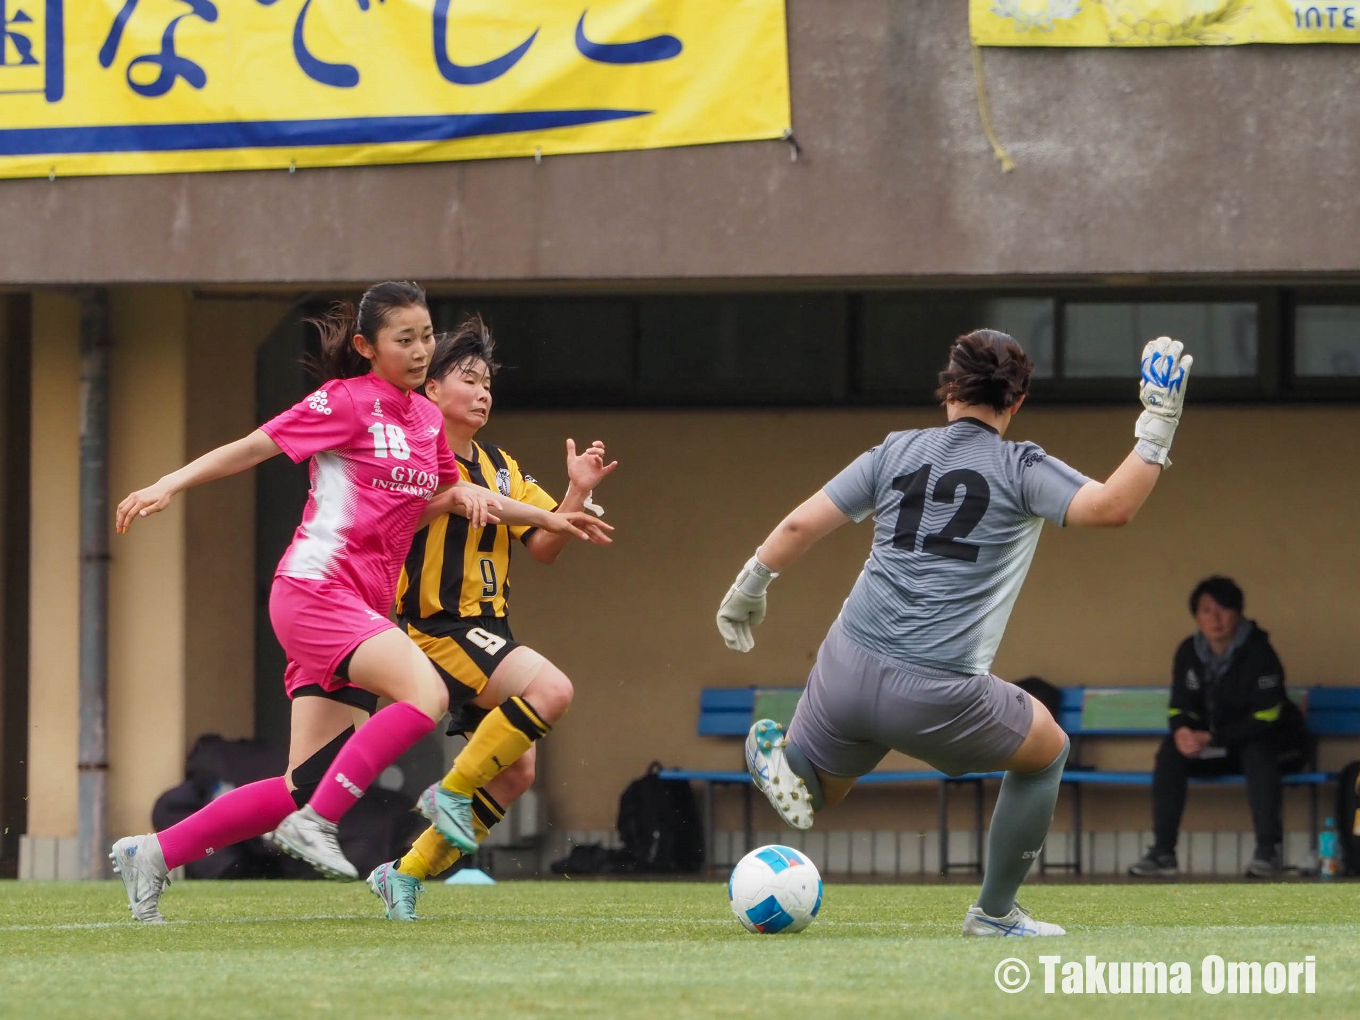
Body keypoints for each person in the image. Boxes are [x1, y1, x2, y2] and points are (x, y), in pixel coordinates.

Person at [109, 283, 607, 921]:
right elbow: (258, 444)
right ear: (368, 347)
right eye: (406, 339)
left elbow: (460, 495)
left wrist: (558, 518)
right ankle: (321, 821)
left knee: (302, 782)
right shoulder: (346, 402)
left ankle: (153, 852)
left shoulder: (425, 421)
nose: (422, 350)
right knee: (424, 697)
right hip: (316, 590)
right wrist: (169, 482)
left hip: (359, 609)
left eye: (427, 336)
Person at [719, 330, 1194, 937]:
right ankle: (993, 915)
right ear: (1017, 402)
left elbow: (796, 526)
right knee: (1046, 751)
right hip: (935, 692)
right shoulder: (1020, 466)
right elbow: (1112, 506)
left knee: (816, 799)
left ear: (948, 390)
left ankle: (779, 759)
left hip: (843, 664)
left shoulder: (893, 451)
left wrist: (749, 586)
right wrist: (1158, 419)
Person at [367, 317, 617, 920]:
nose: (483, 392)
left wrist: (575, 493)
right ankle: (449, 790)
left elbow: (544, 545)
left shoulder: (501, 467)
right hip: (435, 627)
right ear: (430, 391)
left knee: (515, 773)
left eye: (487, 383)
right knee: (552, 689)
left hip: (488, 631)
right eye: (469, 379)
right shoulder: (412, 457)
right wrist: (452, 499)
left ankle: (402, 875)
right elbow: (390, 519)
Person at [1128, 576, 1308, 879]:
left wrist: (1214, 737)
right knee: (1171, 752)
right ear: (1196, 616)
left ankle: (1268, 851)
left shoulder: (1260, 652)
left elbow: (1268, 716)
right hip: (1217, 747)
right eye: (1206, 610)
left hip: (1272, 746)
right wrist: (1182, 731)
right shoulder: (1188, 651)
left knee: (1257, 752)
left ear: (1237, 613)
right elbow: (1179, 706)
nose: (1215, 618)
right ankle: (1163, 852)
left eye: (1223, 609)